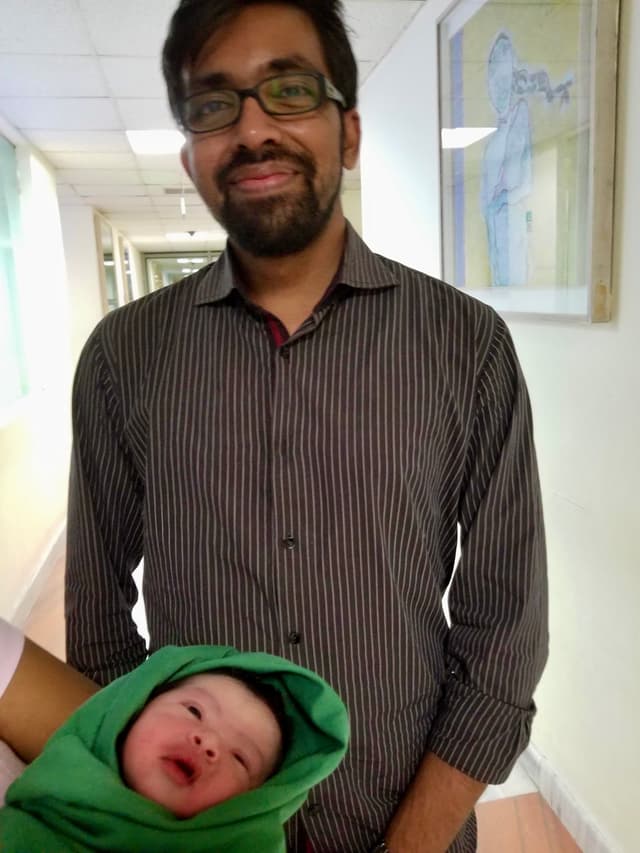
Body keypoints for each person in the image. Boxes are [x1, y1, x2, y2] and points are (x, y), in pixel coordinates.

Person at [65, 1, 549, 850]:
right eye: (215, 104)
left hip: (409, 821)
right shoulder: (123, 358)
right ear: (191, 156)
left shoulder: (465, 346)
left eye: (289, 90)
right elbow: (98, 622)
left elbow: (504, 633)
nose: (253, 129)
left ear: (348, 133)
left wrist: (412, 843)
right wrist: (157, 818)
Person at [1, 641, 349, 852]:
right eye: (194, 711)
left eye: (241, 758)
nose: (209, 742)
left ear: (252, 805)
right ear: (133, 708)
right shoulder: (35, 812)